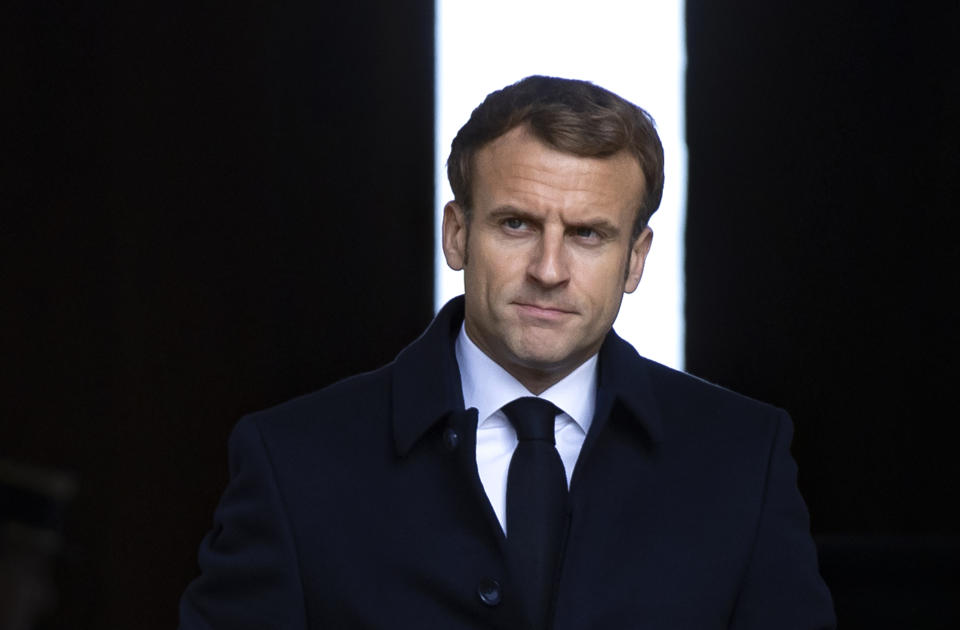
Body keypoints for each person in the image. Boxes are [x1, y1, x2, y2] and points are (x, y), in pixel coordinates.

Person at [179, 75, 835, 629]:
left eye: (587, 234)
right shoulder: (293, 461)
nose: (549, 268)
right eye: (516, 224)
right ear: (457, 234)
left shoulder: (744, 459)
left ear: (635, 259)